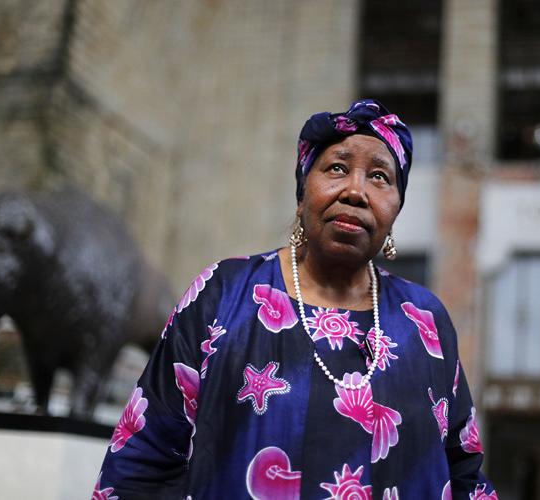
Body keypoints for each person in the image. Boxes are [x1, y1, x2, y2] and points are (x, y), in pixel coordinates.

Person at [93, 99, 498, 500]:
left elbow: (464, 472)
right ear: (303, 194)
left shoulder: (423, 322)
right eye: (337, 168)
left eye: (380, 177)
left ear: (395, 209)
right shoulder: (224, 295)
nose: (356, 191)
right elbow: (142, 460)